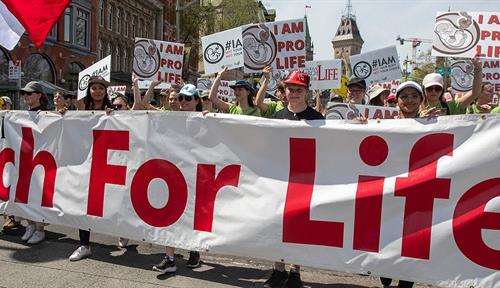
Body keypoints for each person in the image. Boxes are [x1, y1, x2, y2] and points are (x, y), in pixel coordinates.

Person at [265, 71, 323, 288]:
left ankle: (295, 272)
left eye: (299, 89)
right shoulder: (277, 117)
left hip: (306, 181)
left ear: (306, 92)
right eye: (290, 89)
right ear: (284, 91)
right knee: (278, 226)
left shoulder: (318, 118)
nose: (294, 93)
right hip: (280, 181)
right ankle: (277, 270)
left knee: (299, 228)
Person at [379, 81, 424, 288]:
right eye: (404, 96)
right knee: (389, 234)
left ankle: (406, 281)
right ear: (396, 101)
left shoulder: (434, 124)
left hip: (417, 194)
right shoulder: (385, 124)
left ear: (421, 100)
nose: (409, 100)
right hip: (391, 193)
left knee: (411, 242)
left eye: (414, 96)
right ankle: (386, 272)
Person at [70, 75, 112, 261]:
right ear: (89, 90)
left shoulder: (112, 111)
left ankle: (124, 232)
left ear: (106, 91)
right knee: (84, 204)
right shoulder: (82, 110)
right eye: (93, 88)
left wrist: (114, 116)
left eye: (101, 88)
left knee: (110, 202)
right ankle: (84, 244)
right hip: (85, 163)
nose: (97, 91)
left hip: (107, 163)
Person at [19, 81, 50, 244]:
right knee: (24, 193)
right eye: (24, 93)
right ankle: (29, 224)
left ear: (39, 95)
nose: (26, 96)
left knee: (37, 195)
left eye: (29, 93)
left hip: (40, 160)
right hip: (25, 158)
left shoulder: (47, 114)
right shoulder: (21, 115)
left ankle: (39, 229)